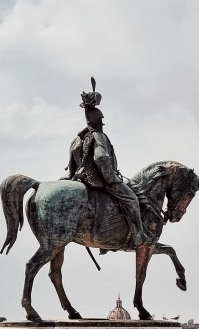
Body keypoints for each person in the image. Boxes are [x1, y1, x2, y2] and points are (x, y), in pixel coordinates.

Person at [64, 82, 153, 247]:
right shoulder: (98, 136)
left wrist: (70, 176)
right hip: (99, 179)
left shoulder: (78, 139)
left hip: (78, 176)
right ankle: (138, 236)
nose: (102, 123)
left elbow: (71, 161)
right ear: (98, 120)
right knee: (132, 199)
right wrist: (111, 178)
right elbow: (101, 158)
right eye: (101, 120)